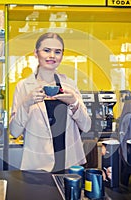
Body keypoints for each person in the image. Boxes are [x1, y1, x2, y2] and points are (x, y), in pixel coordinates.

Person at [9, 32, 91, 173]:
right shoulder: (23, 86)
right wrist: (26, 103)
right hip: (38, 166)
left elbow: (87, 126)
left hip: (69, 163)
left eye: (57, 52)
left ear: (62, 55)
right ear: (36, 53)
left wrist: (74, 102)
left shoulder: (69, 84)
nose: (52, 55)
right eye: (46, 50)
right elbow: (14, 131)